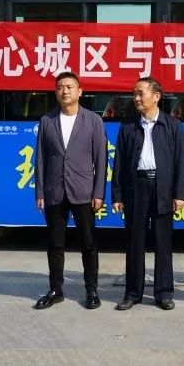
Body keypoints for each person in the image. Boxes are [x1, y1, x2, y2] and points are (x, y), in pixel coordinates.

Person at [33, 72, 108, 310]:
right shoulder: (47, 121)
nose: (64, 91)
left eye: (69, 87)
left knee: (89, 244)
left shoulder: (93, 121)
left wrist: (98, 193)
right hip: (55, 191)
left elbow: (101, 159)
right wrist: (40, 192)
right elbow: (41, 159)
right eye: (60, 87)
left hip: (84, 191)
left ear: (80, 91)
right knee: (55, 244)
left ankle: (91, 290)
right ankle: (55, 289)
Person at [111, 77, 184, 311]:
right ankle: (133, 293)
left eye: (141, 93)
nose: (136, 98)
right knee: (135, 242)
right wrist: (117, 196)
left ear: (156, 96)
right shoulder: (128, 126)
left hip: (163, 187)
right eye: (134, 94)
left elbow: (180, 161)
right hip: (136, 187)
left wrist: (180, 194)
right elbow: (119, 162)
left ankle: (163, 293)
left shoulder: (172, 125)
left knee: (163, 243)